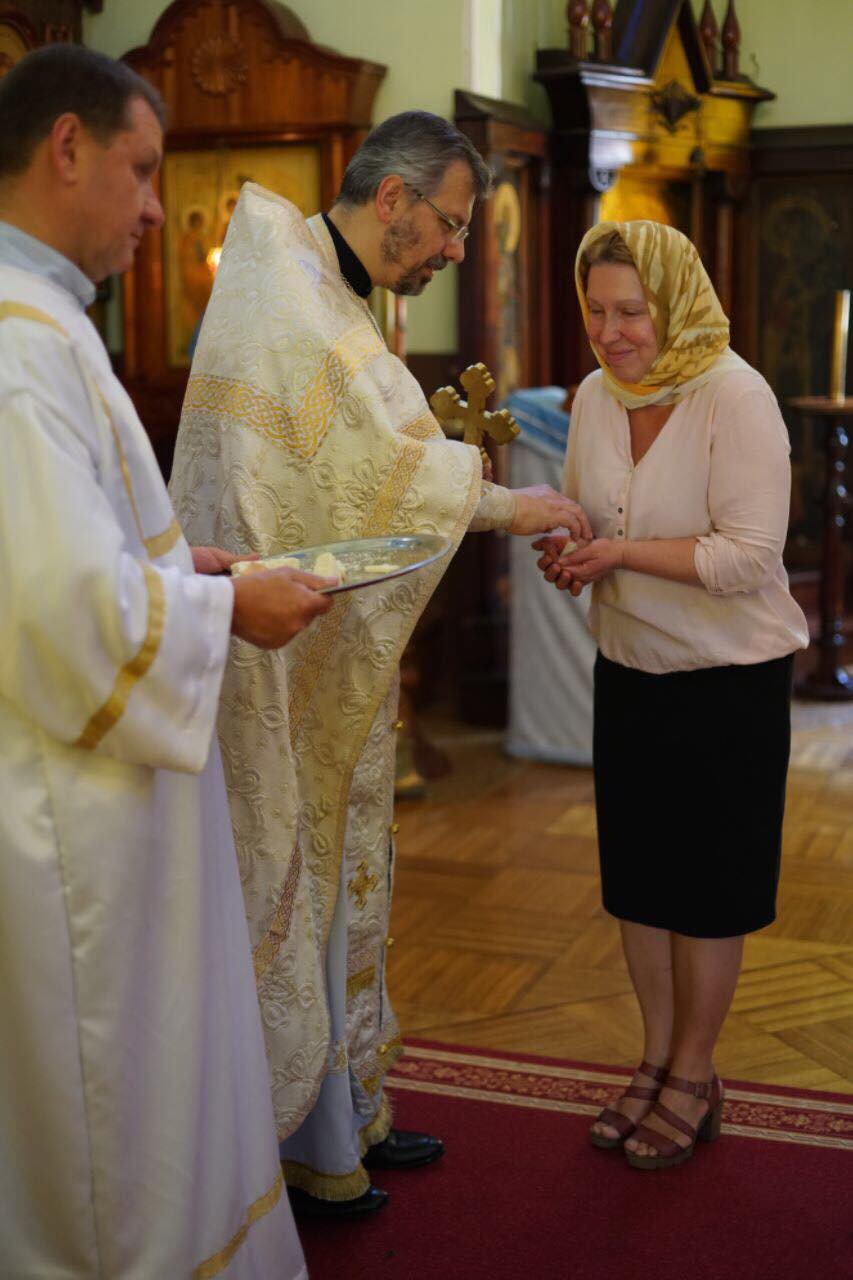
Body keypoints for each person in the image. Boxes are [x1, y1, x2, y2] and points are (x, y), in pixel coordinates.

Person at [169, 111, 592, 1215]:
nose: (456, 247)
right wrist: (510, 506)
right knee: (297, 870)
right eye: (449, 223)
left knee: (345, 870)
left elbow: (373, 465)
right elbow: (385, 472)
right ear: (392, 197)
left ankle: (348, 1110)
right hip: (271, 657)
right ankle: (297, 1148)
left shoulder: (327, 292)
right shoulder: (289, 300)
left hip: (314, 641)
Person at [0, 45, 332, 1276]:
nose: (155, 207)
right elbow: (57, 606)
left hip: (102, 788)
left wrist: (182, 566)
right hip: (69, 812)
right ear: (66, 146)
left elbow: (57, 546)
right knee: (111, 1130)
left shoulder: (44, 318)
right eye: (141, 170)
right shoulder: (18, 342)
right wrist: (227, 607)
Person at [534, 220, 809, 1171]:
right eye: (596, 311)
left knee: (707, 893)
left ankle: (695, 1073)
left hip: (727, 680)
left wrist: (617, 553)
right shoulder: (592, 397)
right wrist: (572, 548)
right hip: (629, 670)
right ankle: (653, 1058)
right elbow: (593, 517)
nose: (610, 333)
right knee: (641, 886)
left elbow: (748, 558)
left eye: (631, 312)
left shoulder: (736, 396)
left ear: (676, 304)